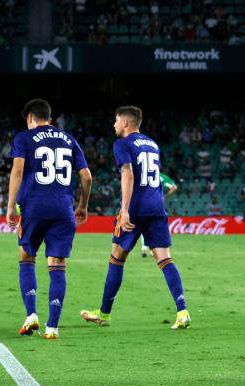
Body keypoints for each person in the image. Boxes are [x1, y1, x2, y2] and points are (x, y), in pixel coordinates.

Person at [80, 106, 191, 330]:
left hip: (136, 207)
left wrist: (125, 209)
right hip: (156, 206)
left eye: (116, 120)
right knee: (164, 259)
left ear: (125, 123)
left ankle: (104, 313)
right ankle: (182, 311)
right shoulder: (152, 144)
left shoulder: (122, 144)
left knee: (116, 257)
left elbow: (128, 174)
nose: (114, 124)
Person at [6, 99, 92, 340]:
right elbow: (86, 177)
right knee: (57, 265)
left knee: (26, 256)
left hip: (33, 207)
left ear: (30, 118)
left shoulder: (24, 138)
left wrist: (11, 206)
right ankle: (52, 327)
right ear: (50, 119)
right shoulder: (69, 140)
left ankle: (31, 314)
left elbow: (18, 170)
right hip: (63, 211)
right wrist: (82, 205)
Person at [140, 172, 178, 258]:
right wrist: (165, 196)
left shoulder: (143, 174)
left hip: (144, 204)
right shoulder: (161, 177)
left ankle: (144, 247)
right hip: (157, 204)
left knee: (144, 226)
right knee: (158, 226)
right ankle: (156, 250)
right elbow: (174, 187)